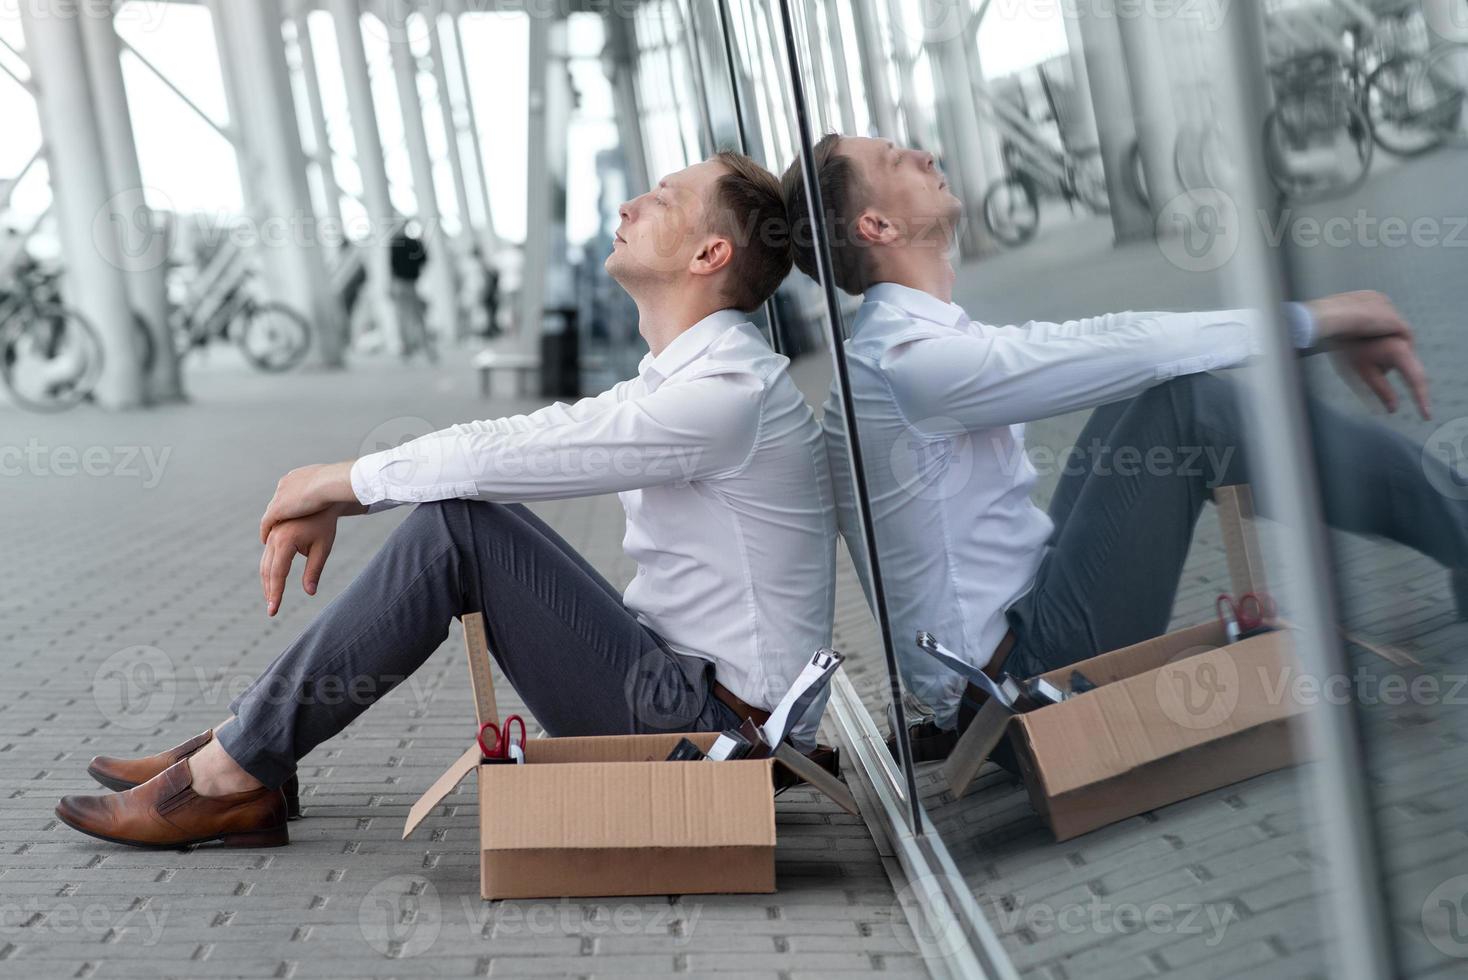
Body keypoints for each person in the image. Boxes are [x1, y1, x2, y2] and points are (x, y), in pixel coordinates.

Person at [56, 151, 837, 848]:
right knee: (467, 516)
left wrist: (340, 481)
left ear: (710, 253)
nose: (631, 206)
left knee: (461, 528)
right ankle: (241, 747)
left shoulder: (728, 396)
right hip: (682, 698)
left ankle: (233, 771)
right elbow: (525, 434)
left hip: (712, 741)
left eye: (664, 198)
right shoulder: (694, 380)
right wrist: (356, 492)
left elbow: (511, 457)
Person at [782, 134, 1468, 760]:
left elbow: (1119, 350)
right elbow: (1132, 341)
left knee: (1149, 391)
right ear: (877, 227)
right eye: (898, 160)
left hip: (1015, 646)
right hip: (1022, 685)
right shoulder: (906, 364)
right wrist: (1321, 320)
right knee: (1181, 402)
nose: (928, 154)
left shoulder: (899, 349)